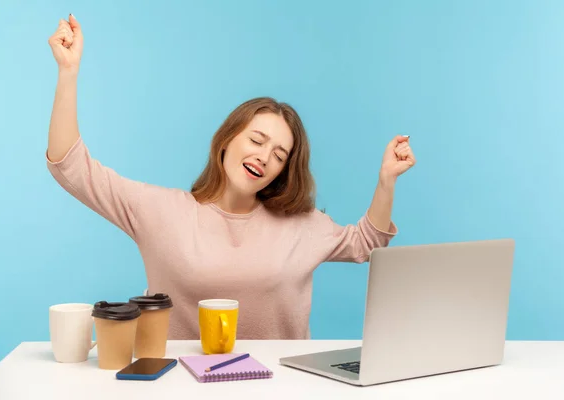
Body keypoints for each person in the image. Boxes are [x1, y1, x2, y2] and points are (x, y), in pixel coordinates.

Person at [46, 15, 416, 340]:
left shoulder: (301, 226)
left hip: (280, 386)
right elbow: (71, 167)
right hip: (182, 384)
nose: (264, 157)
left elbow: (366, 243)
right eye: (257, 140)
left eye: (279, 155)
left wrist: (387, 179)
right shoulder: (159, 211)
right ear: (226, 141)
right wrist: (68, 72)